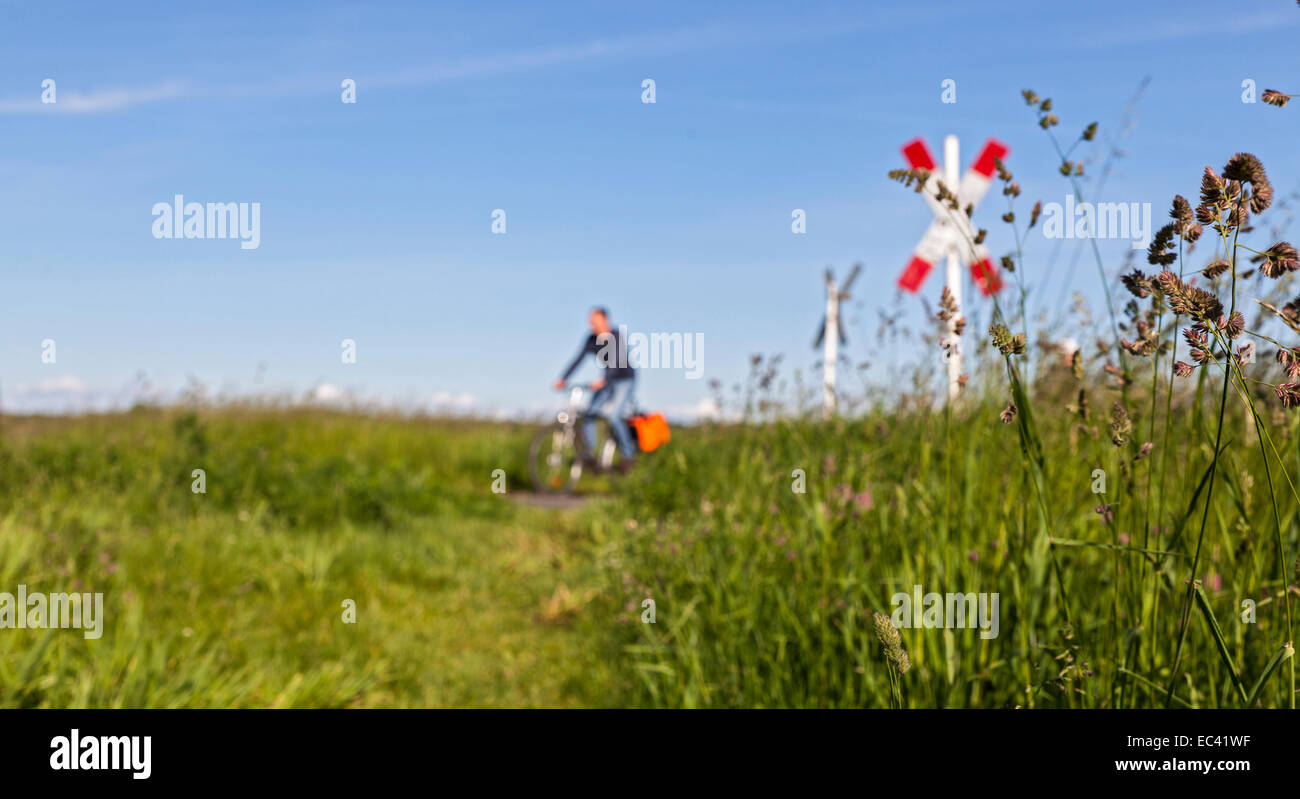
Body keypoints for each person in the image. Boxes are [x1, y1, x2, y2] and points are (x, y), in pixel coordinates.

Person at [554, 306, 637, 469]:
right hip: (606, 380)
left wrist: (604, 379)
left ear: (605, 320)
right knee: (590, 414)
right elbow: (578, 359)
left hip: (623, 379)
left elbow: (616, 362)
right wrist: (563, 378)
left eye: (594, 321)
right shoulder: (591, 340)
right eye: (590, 321)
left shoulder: (616, 336)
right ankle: (589, 455)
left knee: (614, 415)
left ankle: (628, 456)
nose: (591, 324)